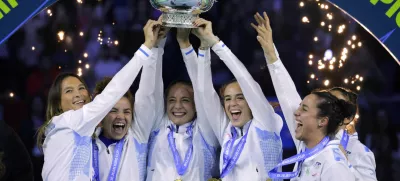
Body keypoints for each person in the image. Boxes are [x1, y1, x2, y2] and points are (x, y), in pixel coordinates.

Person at [37, 19, 161, 181]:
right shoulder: (68, 121)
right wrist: (146, 47)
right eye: (69, 91)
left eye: (82, 88)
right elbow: (113, 91)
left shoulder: (78, 132)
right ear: (58, 104)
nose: (78, 94)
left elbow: (145, 96)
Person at [253, 12, 356, 180]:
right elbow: (288, 96)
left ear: (322, 121)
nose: (295, 112)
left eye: (304, 108)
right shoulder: (307, 148)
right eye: (300, 107)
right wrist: (271, 54)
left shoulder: (333, 165)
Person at [192, 18, 283, 181]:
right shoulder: (226, 130)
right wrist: (204, 49)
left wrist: (215, 43)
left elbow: (244, 78)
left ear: (251, 102)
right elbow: (204, 92)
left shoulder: (265, 124)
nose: (232, 104)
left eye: (240, 98)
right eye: (227, 99)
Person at [145, 28, 220, 181]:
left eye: (185, 100)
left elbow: (203, 90)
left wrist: (185, 44)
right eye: (172, 100)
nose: (177, 106)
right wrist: (157, 45)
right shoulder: (157, 127)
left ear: (196, 105)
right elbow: (152, 88)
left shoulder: (206, 132)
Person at [329, 87, 377, 181]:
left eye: (336, 104)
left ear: (348, 118)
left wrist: (345, 163)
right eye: (327, 101)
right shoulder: (312, 140)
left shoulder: (360, 152)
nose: (328, 107)